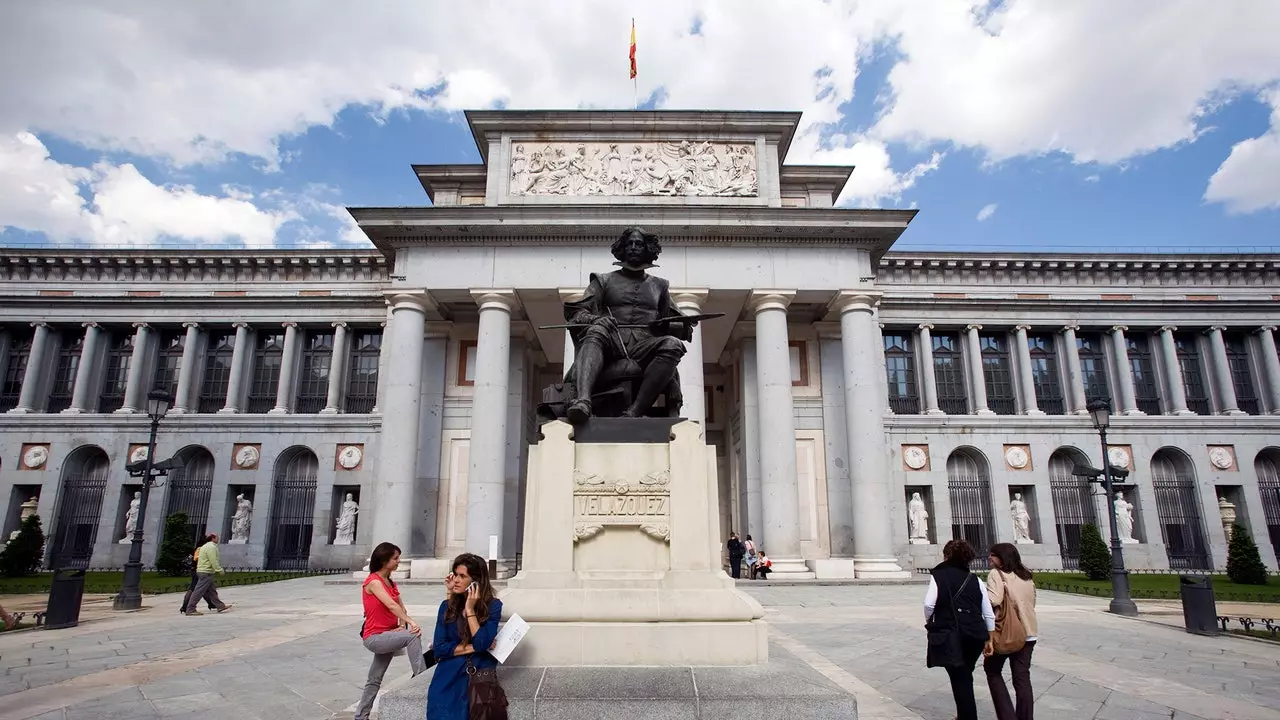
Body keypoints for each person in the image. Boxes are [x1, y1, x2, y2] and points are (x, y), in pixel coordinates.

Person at [354, 542, 429, 720]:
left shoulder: (390, 582)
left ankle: (360, 716)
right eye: (395, 558)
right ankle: (423, 680)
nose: (398, 561)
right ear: (384, 560)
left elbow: (400, 607)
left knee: (374, 679)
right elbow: (390, 605)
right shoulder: (373, 581)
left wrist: (402, 625)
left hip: (387, 635)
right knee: (412, 637)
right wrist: (411, 624)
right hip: (374, 637)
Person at [924, 539, 995, 720]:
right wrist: (990, 637)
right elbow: (987, 611)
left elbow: (929, 604)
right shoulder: (975, 579)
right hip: (976, 635)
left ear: (946, 556)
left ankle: (967, 716)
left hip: (952, 633)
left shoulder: (939, 576)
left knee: (960, 677)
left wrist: (931, 620)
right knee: (964, 674)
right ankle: (962, 714)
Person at [427, 553, 503, 720]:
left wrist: (470, 610)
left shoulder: (493, 606)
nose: (456, 580)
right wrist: (474, 647)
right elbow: (439, 648)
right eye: (455, 575)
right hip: (447, 678)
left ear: (476, 581)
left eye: (462, 576)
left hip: (476, 679)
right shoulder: (446, 606)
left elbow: (482, 642)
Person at [984, 543, 1038, 720]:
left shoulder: (997, 574)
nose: (990, 559)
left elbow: (994, 599)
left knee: (992, 670)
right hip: (1029, 632)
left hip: (1006, 632)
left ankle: (1007, 716)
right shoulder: (1026, 576)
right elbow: (1032, 601)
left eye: (993, 555)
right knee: (1022, 678)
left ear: (1002, 557)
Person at [186, 533, 232, 616]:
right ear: (213, 538)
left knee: (212, 591)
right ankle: (190, 609)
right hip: (206, 572)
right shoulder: (211, 547)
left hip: (204, 571)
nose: (218, 539)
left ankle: (220, 606)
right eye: (217, 537)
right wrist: (220, 570)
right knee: (198, 591)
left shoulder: (205, 546)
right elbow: (213, 560)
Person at [180, 534, 217, 614]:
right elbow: (196, 558)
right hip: (199, 570)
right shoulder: (200, 548)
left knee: (204, 589)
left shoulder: (202, 548)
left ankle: (212, 604)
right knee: (194, 589)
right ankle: (185, 606)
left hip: (199, 570)